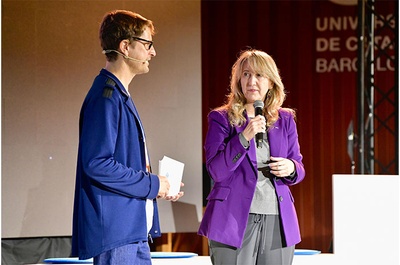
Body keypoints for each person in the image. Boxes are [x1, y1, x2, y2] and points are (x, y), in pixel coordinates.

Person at [71, 10, 184, 265]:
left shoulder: (119, 96)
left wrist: (160, 185)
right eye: (147, 45)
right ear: (125, 47)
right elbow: (97, 164)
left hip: (132, 231)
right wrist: (152, 185)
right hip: (117, 232)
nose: (152, 52)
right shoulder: (106, 97)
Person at [198, 49, 305, 265]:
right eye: (246, 74)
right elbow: (216, 171)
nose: (252, 81)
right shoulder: (221, 119)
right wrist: (244, 137)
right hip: (233, 218)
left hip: (277, 217)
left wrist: (291, 168)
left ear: (271, 83)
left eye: (259, 75)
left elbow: (299, 166)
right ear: (238, 80)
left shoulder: (285, 119)